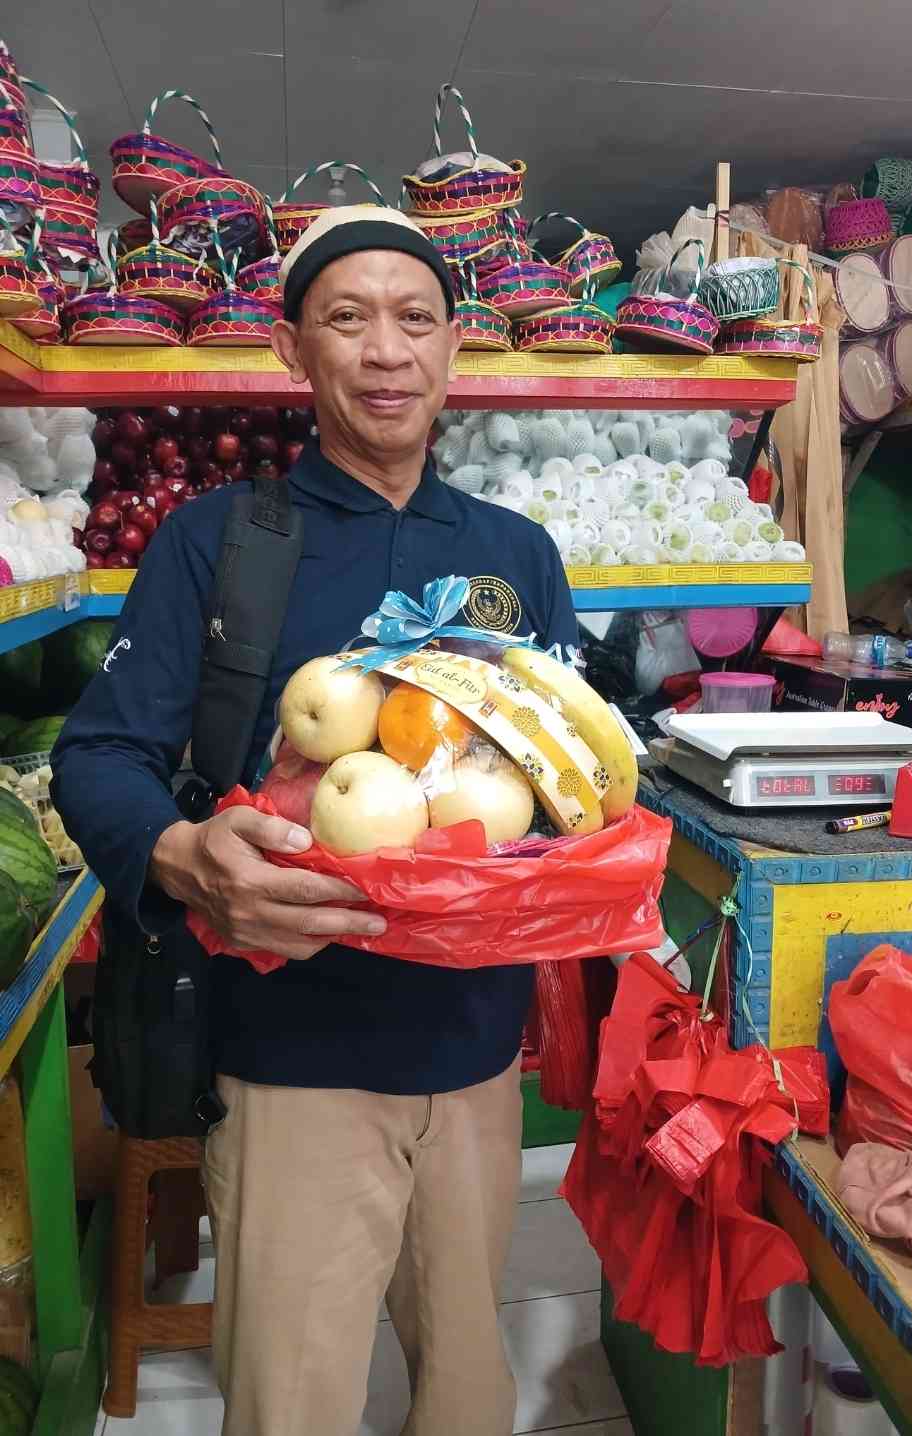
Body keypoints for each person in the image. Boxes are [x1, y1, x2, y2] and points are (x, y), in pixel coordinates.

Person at [52, 206, 578, 1436]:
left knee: (463, 1387)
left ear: (455, 349)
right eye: (348, 319)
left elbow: (570, 765)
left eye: (415, 319)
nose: (385, 351)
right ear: (295, 348)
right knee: (290, 1399)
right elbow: (101, 754)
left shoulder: (518, 552)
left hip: (474, 1046)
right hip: (290, 1049)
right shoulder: (219, 544)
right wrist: (183, 854)